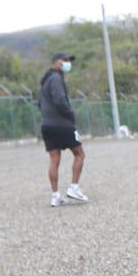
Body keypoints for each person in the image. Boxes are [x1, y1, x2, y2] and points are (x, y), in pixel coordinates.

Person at [38, 52, 88, 207]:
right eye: (65, 61)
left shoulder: (44, 81)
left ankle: (55, 196)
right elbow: (60, 100)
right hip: (62, 124)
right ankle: (74, 187)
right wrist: (70, 114)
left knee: (54, 159)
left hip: (47, 124)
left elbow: (39, 103)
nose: (68, 64)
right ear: (57, 62)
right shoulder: (56, 78)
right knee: (79, 154)